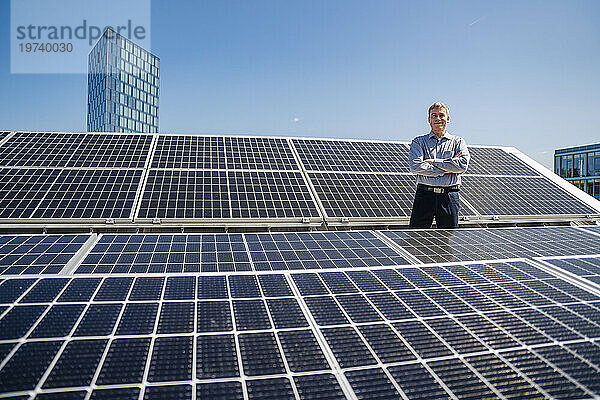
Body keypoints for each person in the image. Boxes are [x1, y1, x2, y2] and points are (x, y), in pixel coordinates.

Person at [408, 102, 470, 228]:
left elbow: (462, 165)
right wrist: (447, 169)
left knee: (449, 238)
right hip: (425, 195)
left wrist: (434, 162)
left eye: (441, 115)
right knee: (417, 237)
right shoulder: (418, 141)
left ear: (448, 118)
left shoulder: (458, 142)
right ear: (429, 119)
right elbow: (415, 166)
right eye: (434, 115)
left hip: (449, 197)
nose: (438, 119)